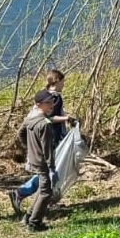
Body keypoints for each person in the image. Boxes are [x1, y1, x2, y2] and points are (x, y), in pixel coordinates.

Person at [8, 70, 73, 217]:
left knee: (46, 173)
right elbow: (49, 118)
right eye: (62, 81)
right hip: (50, 138)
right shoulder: (54, 97)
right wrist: (67, 118)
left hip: (36, 141)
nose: (64, 84)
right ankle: (25, 196)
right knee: (49, 172)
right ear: (56, 81)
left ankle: (39, 200)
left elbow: (26, 126)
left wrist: (27, 145)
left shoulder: (43, 94)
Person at [17, 89, 60, 231]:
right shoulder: (45, 124)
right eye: (48, 103)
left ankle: (28, 217)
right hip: (42, 162)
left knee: (43, 189)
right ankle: (35, 223)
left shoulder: (29, 120)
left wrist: (28, 148)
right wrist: (51, 166)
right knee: (46, 192)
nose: (52, 105)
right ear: (38, 104)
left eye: (52, 102)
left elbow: (20, 133)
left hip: (34, 159)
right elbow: (47, 149)